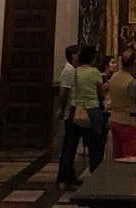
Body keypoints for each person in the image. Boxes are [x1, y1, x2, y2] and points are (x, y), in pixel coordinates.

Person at [56, 45, 105, 189]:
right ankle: (96, 179)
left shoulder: (74, 72)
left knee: (70, 147)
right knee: (95, 147)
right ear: (92, 58)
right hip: (92, 111)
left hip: (76, 111)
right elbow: (101, 93)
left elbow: (66, 91)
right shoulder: (95, 72)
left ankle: (63, 180)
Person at [108, 49, 136, 160]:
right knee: (129, 157)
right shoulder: (132, 83)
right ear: (135, 63)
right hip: (128, 122)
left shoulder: (114, 77)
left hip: (115, 119)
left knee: (117, 155)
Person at [56, 45, 80, 191]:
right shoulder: (69, 70)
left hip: (71, 111)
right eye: (78, 54)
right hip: (69, 112)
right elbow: (64, 92)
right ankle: (64, 178)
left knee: (70, 146)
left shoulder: (72, 70)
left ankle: (69, 176)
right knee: (69, 147)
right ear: (73, 56)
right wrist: (60, 108)